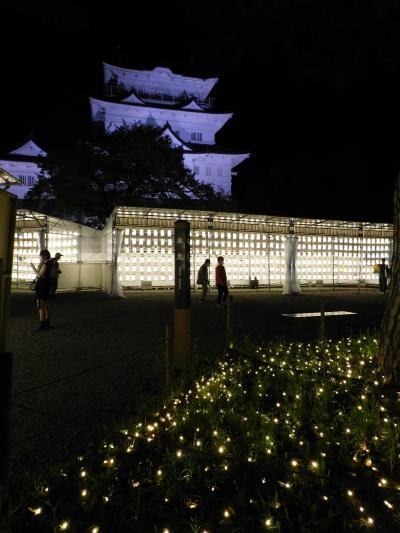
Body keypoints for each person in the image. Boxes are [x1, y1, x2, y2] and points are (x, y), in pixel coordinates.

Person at [30, 249, 52, 330]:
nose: (39, 258)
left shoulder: (45, 265)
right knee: (46, 306)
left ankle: (42, 324)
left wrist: (33, 268)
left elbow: (39, 275)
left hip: (41, 287)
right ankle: (48, 324)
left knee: (40, 306)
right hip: (46, 287)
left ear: (44, 256)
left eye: (40, 256)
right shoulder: (49, 263)